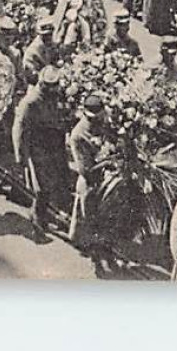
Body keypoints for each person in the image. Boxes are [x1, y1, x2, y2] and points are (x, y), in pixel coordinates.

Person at [12, 65, 73, 240]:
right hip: (39, 146)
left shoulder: (55, 96)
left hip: (55, 144)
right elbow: (20, 128)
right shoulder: (30, 102)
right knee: (42, 185)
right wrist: (20, 155)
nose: (55, 88)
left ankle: (44, 213)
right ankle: (37, 219)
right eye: (51, 85)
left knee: (57, 181)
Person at [68, 95, 110, 273]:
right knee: (88, 214)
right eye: (93, 118)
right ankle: (94, 255)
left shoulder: (104, 121)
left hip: (106, 172)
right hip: (90, 178)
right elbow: (84, 167)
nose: (97, 121)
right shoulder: (78, 135)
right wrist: (104, 161)